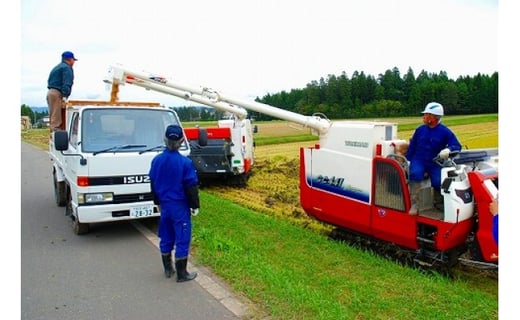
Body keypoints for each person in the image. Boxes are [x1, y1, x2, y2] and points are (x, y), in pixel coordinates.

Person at [149, 125, 200, 282]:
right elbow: (191, 186)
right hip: (179, 206)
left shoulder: (156, 161)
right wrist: (195, 205)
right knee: (182, 237)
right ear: (181, 141)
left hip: (164, 206)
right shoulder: (184, 163)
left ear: (165, 140)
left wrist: (157, 201)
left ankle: (168, 269)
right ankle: (182, 273)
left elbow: (153, 183)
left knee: (166, 236)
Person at [406, 102, 461, 213]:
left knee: (438, 181)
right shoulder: (420, 130)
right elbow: (412, 146)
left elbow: (456, 145)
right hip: (419, 159)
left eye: (426, 114)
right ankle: (415, 204)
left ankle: (439, 203)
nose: (424, 117)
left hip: (434, 162)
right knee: (415, 173)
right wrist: (408, 160)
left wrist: (448, 150)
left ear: (433, 117)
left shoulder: (445, 131)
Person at [47, 51, 77, 132]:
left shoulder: (57, 67)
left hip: (51, 92)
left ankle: (54, 131)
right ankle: (56, 133)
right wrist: (65, 95)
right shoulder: (67, 68)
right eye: (73, 60)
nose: (74, 62)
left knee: (53, 114)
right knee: (56, 116)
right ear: (70, 60)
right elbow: (67, 83)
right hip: (57, 93)